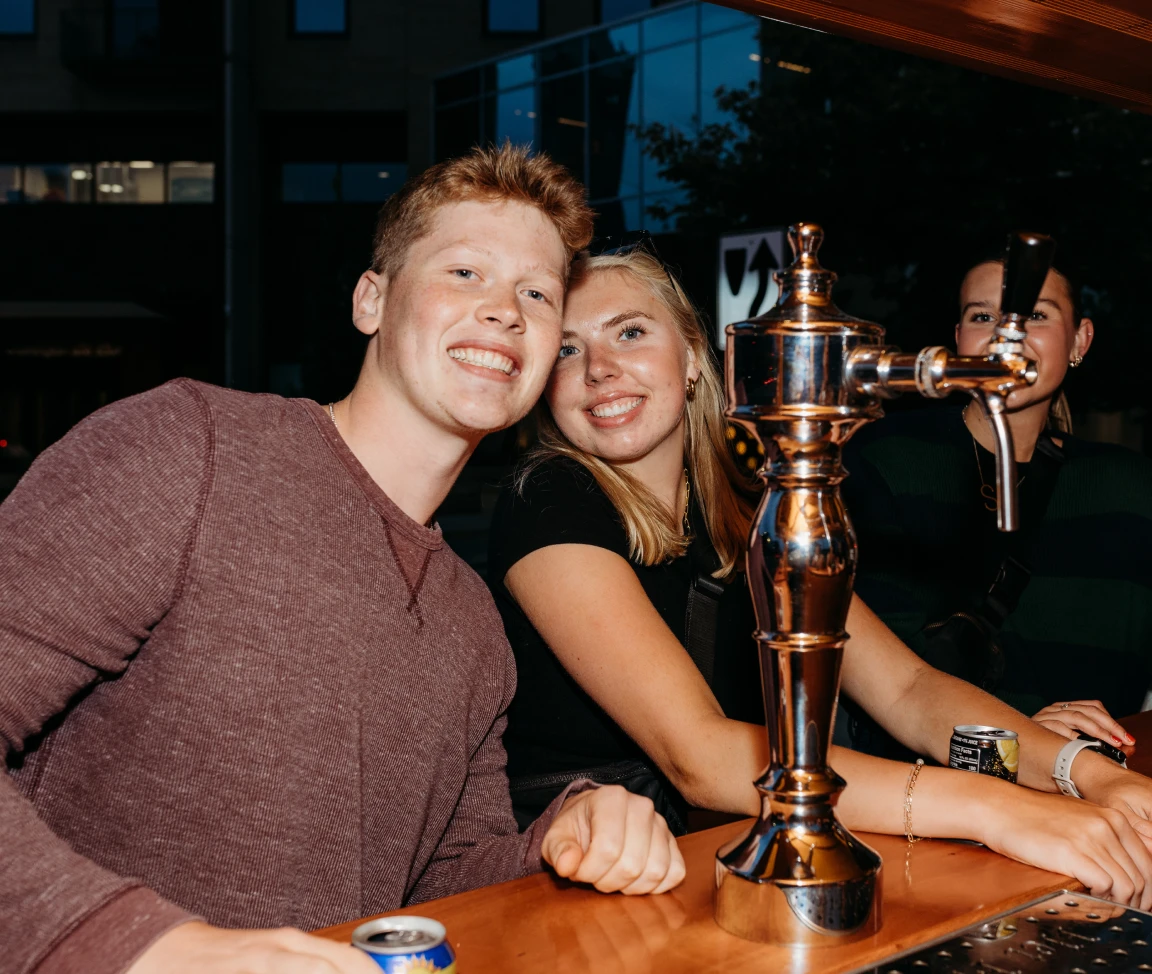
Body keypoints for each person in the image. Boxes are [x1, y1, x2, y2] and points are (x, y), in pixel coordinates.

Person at [0, 146, 684, 974]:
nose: (505, 310)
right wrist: (150, 948)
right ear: (372, 299)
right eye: (465, 272)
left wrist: (568, 836)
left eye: (535, 293)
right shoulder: (190, 448)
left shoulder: (473, 627)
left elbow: (441, 884)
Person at [488, 243, 1152, 908]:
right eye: (567, 350)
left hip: (708, 868)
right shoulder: (547, 498)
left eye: (629, 332)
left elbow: (908, 688)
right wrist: (998, 809)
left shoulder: (751, 506)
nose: (600, 369)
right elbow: (699, 756)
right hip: (573, 883)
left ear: (693, 355)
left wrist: (1091, 777)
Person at [840, 255, 1152, 748]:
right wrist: (1025, 736)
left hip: (1115, 781)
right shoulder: (884, 459)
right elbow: (885, 678)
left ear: (1079, 340)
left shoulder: (1130, 485)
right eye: (983, 317)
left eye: (1036, 316)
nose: (1007, 336)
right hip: (944, 790)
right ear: (959, 341)